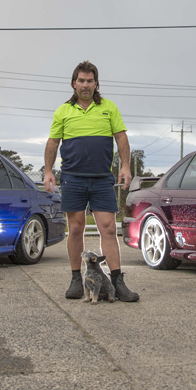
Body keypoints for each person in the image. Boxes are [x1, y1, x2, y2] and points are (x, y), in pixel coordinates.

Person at [43, 61, 139, 302]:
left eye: (90, 81)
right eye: (81, 80)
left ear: (96, 83)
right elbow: (53, 143)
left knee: (108, 228)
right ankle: (77, 279)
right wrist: (48, 171)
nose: (85, 85)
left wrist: (125, 166)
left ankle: (117, 282)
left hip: (101, 180)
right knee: (75, 228)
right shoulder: (63, 111)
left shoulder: (109, 108)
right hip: (73, 178)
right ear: (73, 83)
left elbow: (122, 139)